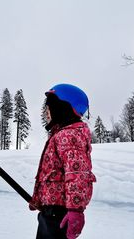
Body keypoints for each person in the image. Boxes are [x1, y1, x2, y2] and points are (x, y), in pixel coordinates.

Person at [30, 84, 96, 239]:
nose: (46, 112)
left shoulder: (69, 136)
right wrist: (40, 200)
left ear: (62, 108)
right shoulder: (60, 135)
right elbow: (51, 175)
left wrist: (75, 210)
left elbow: (77, 174)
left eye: (49, 108)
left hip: (59, 214)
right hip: (51, 210)